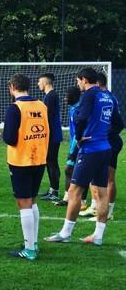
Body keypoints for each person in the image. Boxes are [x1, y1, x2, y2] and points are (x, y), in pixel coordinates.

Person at [45, 68, 119, 246]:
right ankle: (98, 236)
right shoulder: (108, 96)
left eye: (78, 81)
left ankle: (65, 233)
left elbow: (81, 118)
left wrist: (78, 138)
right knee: (101, 193)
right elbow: (119, 123)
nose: (78, 84)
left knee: (73, 191)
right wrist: (105, 135)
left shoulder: (89, 95)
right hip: (105, 148)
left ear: (84, 80)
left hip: (90, 150)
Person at [3, 73, 49, 260]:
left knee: (24, 203)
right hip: (39, 158)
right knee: (33, 200)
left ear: (13, 86)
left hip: (21, 160)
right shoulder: (41, 105)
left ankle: (29, 249)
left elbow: (9, 138)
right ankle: (33, 241)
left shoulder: (15, 108)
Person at [81, 73, 123, 221]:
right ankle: (94, 207)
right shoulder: (101, 96)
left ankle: (108, 212)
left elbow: (119, 123)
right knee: (96, 177)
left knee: (108, 178)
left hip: (109, 141)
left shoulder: (107, 97)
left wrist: (105, 134)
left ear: (97, 83)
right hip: (101, 141)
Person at [54, 87, 84, 208]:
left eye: (67, 96)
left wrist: (73, 150)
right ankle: (68, 198)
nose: (65, 99)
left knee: (76, 171)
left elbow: (78, 132)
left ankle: (81, 201)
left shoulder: (79, 110)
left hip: (79, 145)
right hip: (74, 144)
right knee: (69, 170)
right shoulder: (73, 109)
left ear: (74, 97)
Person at [38, 73, 63, 201]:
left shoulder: (51, 96)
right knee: (50, 161)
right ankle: (53, 189)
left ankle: (54, 191)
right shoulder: (50, 96)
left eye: (39, 82)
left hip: (52, 135)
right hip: (52, 134)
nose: (38, 84)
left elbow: (48, 117)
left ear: (45, 82)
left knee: (51, 162)